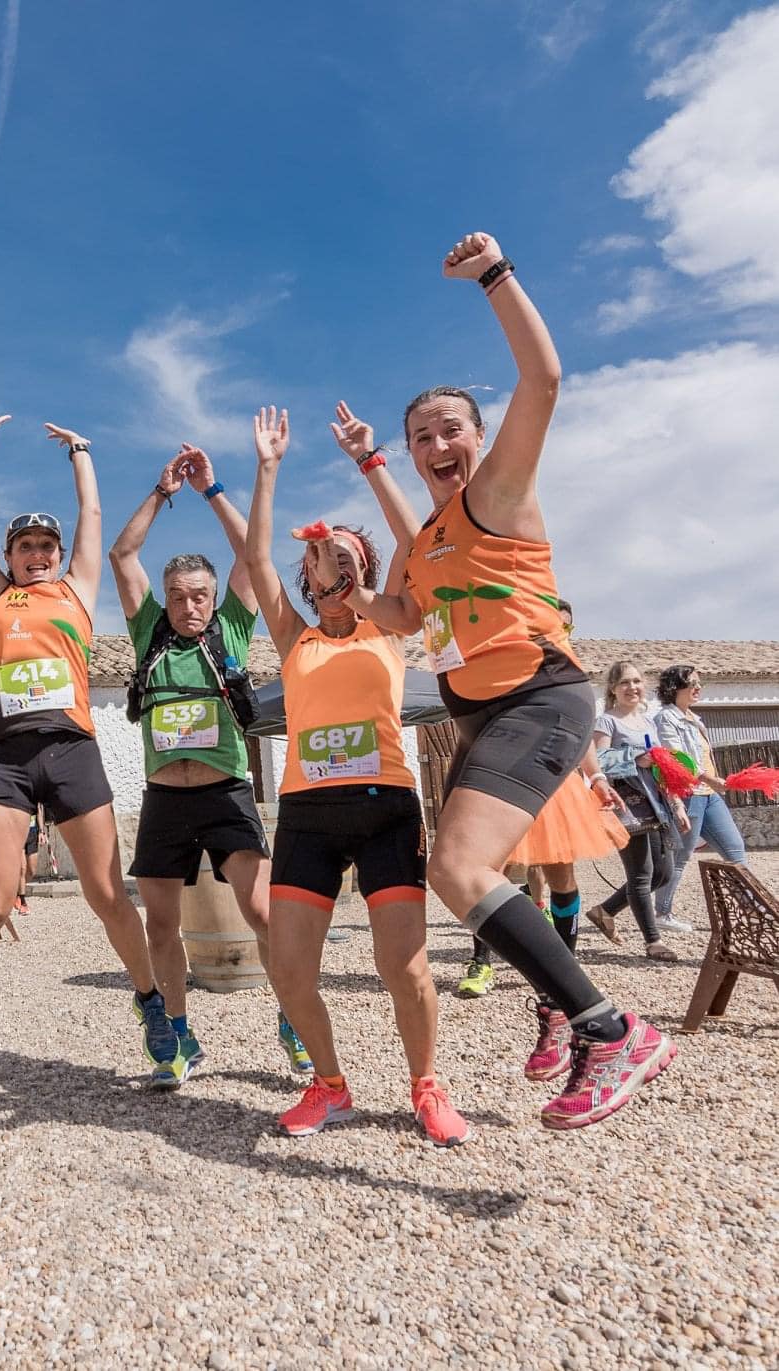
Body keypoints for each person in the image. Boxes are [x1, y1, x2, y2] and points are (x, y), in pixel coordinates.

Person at [341, 232, 673, 1130]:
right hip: (485, 717)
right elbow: (408, 615)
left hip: (539, 695)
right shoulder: (437, 535)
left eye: (450, 429)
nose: (437, 443)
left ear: (480, 440)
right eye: (422, 438)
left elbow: (545, 379)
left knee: (458, 864)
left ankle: (610, 1028)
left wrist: (494, 275)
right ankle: (580, 1017)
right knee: (473, 870)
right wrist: (358, 595)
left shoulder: (497, 493)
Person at [0, 416, 178, 1083]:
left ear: (60, 553)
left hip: (71, 751)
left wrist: (82, 453)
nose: (37, 553)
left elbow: (93, 512)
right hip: (3, 757)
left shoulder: (75, 592)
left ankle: (151, 1001)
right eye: (25, 545)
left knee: (106, 892)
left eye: (46, 545)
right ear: (9, 556)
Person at [247, 402, 469, 1145]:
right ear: (307, 574)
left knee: (402, 967)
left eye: (348, 555)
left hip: (385, 807)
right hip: (308, 812)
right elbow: (252, 560)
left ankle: (426, 1084)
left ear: (364, 569)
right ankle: (330, 1085)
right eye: (322, 555)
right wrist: (267, 468)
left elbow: (417, 540)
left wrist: (369, 464)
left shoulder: (388, 625)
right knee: (289, 969)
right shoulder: (295, 635)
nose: (334, 562)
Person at [110, 442, 307, 1075]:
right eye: (178, 596)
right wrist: (163, 492)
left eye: (199, 595)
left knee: (262, 912)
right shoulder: (148, 633)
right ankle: (176, 1036)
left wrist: (213, 490)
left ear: (213, 596)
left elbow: (254, 555)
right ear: (165, 599)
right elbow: (122, 554)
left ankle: (295, 1015)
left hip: (225, 792)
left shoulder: (232, 628)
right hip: (164, 797)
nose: (189, 606)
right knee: (161, 926)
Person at [455, 599, 627, 998]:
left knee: (561, 877)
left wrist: (597, 777)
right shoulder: (504, 661)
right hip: (504, 775)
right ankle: (482, 962)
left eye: (567, 628)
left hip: (556, 782)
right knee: (491, 872)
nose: (560, 634)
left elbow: (581, 733)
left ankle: (560, 969)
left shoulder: (570, 674)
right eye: (554, 625)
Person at [582, 663, 681, 961]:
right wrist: (635, 758)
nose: (632, 687)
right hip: (627, 806)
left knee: (663, 874)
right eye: (625, 682)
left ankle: (605, 910)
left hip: (656, 805)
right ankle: (653, 942)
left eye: (637, 681)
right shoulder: (607, 722)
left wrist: (675, 801)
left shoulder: (648, 723)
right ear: (613, 688)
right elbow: (600, 760)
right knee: (641, 875)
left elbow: (661, 764)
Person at [653, 662, 749, 926]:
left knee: (735, 849)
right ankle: (662, 913)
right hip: (689, 795)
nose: (698, 687)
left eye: (698, 683)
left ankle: (752, 908)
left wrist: (711, 782)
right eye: (692, 683)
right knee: (681, 856)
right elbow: (676, 758)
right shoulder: (666, 719)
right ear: (675, 688)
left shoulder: (695, 719)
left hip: (709, 797)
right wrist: (708, 778)